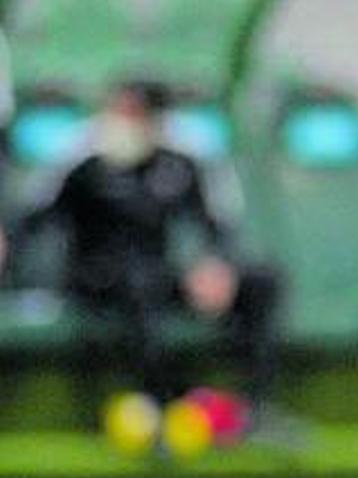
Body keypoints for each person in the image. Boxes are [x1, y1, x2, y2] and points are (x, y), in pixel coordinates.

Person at [0, 81, 281, 421]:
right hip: (95, 279)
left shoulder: (182, 158)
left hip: (155, 273)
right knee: (138, 279)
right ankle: (160, 404)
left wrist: (216, 265)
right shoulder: (81, 153)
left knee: (261, 280)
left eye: (133, 113)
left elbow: (216, 224)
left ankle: (254, 409)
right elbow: (32, 218)